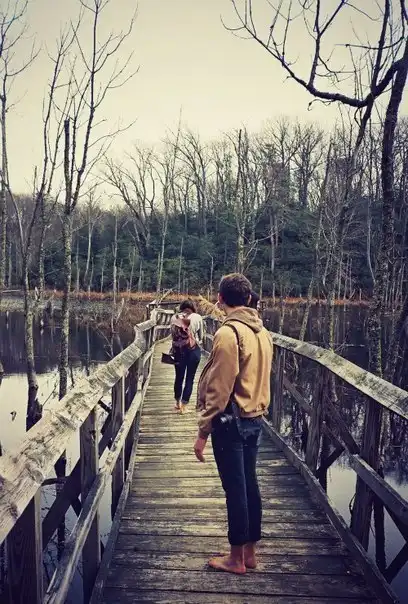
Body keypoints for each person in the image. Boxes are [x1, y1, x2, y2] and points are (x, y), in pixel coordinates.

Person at [194, 273, 273, 574]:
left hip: (231, 422)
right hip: (255, 419)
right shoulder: (262, 332)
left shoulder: (229, 333)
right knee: (249, 485)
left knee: (236, 489)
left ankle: (236, 559)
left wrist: (203, 431)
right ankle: (250, 553)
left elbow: (220, 388)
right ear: (248, 298)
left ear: (220, 299)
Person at [171, 299, 203, 414]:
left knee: (178, 377)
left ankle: (177, 403)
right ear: (193, 308)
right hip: (193, 351)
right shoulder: (197, 317)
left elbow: (172, 335)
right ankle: (184, 407)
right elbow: (201, 336)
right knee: (190, 378)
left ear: (182, 308)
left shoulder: (174, 317)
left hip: (178, 351)